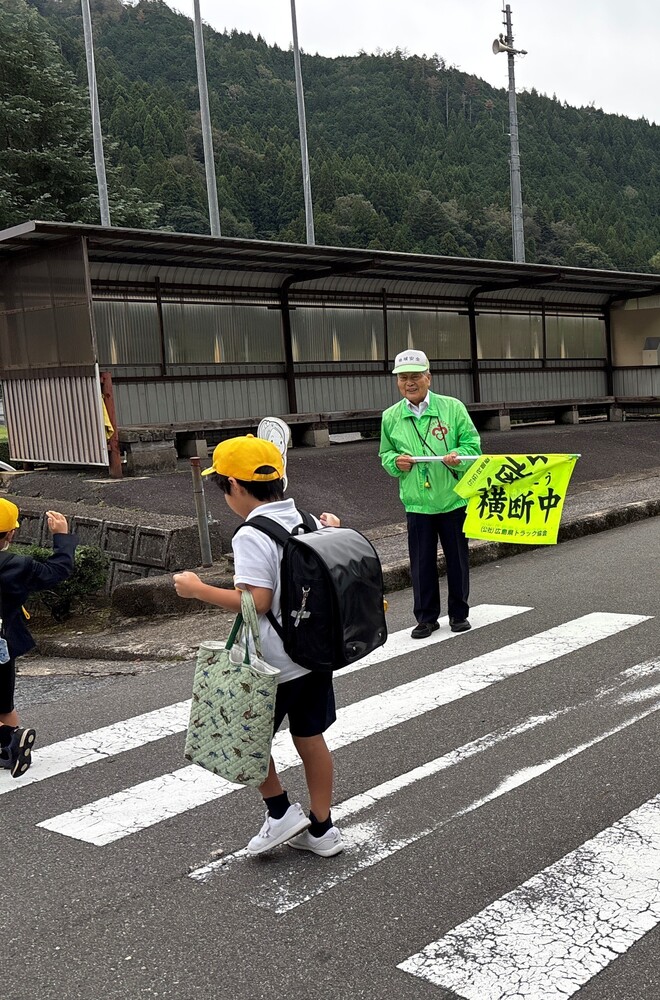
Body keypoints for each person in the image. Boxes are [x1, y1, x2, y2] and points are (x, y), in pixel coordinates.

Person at [173, 435, 344, 858]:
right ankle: (322, 829)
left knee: (244, 737)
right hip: (314, 654)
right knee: (311, 738)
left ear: (233, 485)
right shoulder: (307, 519)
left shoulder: (251, 534)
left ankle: (280, 811)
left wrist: (198, 589)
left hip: (273, 664)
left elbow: (258, 602)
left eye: (223, 488)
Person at [379, 349, 481, 639]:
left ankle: (459, 614)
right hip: (417, 502)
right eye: (403, 378)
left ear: (428, 378)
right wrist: (395, 463)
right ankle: (426, 618)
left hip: (453, 498)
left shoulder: (452, 408)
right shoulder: (390, 417)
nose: (409, 383)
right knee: (421, 563)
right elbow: (386, 454)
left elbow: (473, 446)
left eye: (415, 376)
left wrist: (458, 455)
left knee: (457, 560)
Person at [0, 500, 77, 777]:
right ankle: (11, 749)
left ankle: (11, 740)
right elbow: (58, 570)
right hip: (3, 643)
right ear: (11, 534)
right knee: (4, 704)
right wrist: (62, 537)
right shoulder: (18, 565)